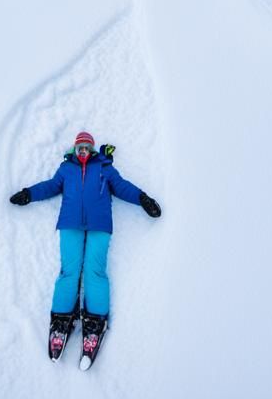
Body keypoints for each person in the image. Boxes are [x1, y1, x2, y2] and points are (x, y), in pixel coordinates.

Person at [9, 131, 162, 365]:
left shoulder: (104, 168)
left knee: (95, 272)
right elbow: (50, 187)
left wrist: (143, 199)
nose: (83, 151)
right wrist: (29, 194)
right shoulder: (66, 169)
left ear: (91, 150)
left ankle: (94, 323)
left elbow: (123, 187)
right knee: (69, 272)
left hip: (100, 225)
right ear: (74, 149)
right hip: (70, 224)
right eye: (79, 147)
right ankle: (61, 321)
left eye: (87, 147)